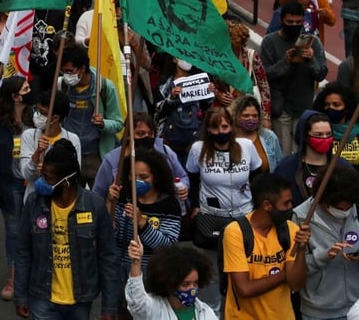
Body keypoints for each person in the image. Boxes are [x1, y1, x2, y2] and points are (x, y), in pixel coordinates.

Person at [14, 138, 120, 320]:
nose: (41, 182)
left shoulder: (94, 206)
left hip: (80, 300)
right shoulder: (34, 203)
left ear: (66, 181)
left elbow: (108, 257)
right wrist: (21, 296)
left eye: (47, 178)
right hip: (42, 297)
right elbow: (23, 252)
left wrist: (109, 308)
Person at [186, 107, 263, 314]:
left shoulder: (246, 146)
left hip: (243, 216)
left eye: (225, 126)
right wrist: (194, 206)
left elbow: (258, 178)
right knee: (211, 273)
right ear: (207, 130)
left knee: (244, 269)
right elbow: (192, 181)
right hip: (212, 217)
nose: (220, 131)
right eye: (215, 127)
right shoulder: (197, 149)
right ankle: (211, 313)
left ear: (232, 126)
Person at [222, 173, 310, 320]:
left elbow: (296, 284)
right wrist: (284, 275)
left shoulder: (291, 229)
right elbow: (245, 289)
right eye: (286, 203)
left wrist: (301, 250)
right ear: (267, 205)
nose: (291, 208)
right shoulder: (235, 232)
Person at [0, 76, 30, 301]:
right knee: (13, 231)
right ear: (14, 95)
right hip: (8, 185)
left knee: (34, 229)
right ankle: (13, 278)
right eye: (25, 88)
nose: (30, 91)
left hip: (32, 183)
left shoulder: (35, 118)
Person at [260, 0, 328, 155]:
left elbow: (321, 74)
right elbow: (264, 75)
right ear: (281, 20)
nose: (294, 25)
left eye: (298, 22)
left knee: (302, 152)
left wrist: (311, 59)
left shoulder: (313, 43)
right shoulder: (270, 42)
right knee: (283, 152)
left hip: (303, 106)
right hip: (281, 106)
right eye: (289, 21)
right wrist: (286, 62)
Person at [292, 166, 359, 320]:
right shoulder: (302, 218)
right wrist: (324, 256)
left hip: (356, 306)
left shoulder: (354, 206)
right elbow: (295, 268)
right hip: (319, 312)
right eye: (340, 208)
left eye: (348, 207)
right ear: (323, 201)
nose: (345, 211)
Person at [111, 149, 183, 281]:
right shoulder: (123, 197)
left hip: (153, 273)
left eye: (143, 177)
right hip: (120, 271)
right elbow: (110, 234)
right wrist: (110, 202)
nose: (137, 181)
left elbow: (167, 246)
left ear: (156, 177)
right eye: (133, 176)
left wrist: (142, 223)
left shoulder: (168, 204)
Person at [58, 45, 123, 182]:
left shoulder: (105, 87)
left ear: (82, 68)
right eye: (63, 71)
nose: (66, 76)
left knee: (99, 200)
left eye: (70, 71)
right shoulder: (61, 86)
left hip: (97, 156)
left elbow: (118, 123)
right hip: (71, 155)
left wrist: (104, 123)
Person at [92, 113, 189, 202]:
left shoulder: (165, 151)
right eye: (140, 134)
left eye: (150, 133)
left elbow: (182, 177)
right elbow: (97, 195)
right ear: (128, 135)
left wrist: (183, 187)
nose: (146, 137)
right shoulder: (112, 160)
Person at [274, 110, 354, 206]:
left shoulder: (343, 167)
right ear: (304, 136)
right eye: (318, 134)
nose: (325, 138)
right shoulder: (287, 166)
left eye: (328, 134)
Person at [125, 241, 219, 320]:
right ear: (170, 283)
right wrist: (136, 263)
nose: (192, 289)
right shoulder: (154, 308)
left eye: (195, 283)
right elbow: (136, 303)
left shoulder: (206, 312)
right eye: (185, 284)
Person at [18, 90, 83, 187]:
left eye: (42, 112)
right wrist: (37, 153)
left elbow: (75, 175)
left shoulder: (72, 140)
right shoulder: (29, 135)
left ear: (55, 118)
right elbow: (26, 174)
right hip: (35, 197)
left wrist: (48, 171)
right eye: (37, 110)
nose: (37, 115)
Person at [230, 95, 283, 174]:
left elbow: (280, 166)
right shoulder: (228, 139)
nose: (251, 119)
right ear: (236, 116)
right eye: (246, 116)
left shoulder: (269, 136)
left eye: (254, 116)